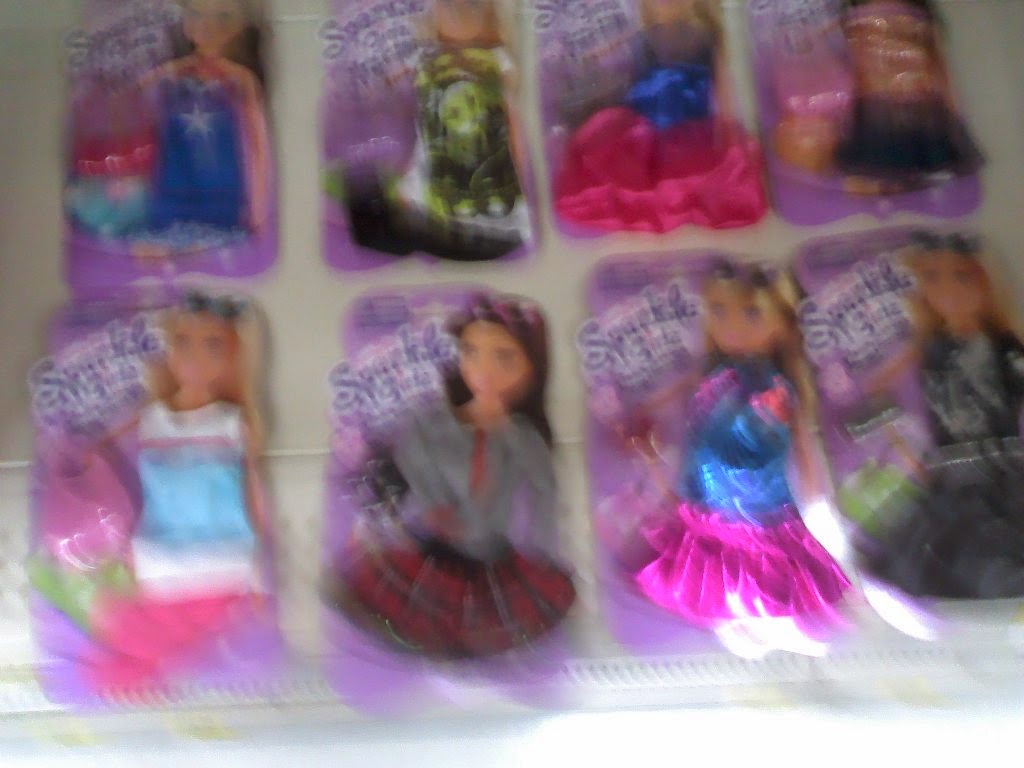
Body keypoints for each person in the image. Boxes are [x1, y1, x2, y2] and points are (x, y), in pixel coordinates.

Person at [327, 294, 576, 658]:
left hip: (494, 553)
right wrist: (432, 502)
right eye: (470, 352)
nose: (483, 369)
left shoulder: (522, 437)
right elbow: (412, 456)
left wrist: (543, 549)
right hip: (435, 549)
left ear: (530, 367)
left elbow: (544, 492)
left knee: (484, 623)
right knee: (429, 613)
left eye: (504, 357)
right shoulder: (436, 422)